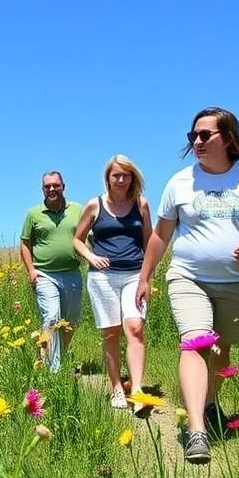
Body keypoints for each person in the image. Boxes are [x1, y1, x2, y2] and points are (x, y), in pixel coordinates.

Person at [137, 108, 239, 464]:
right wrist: (145, 276)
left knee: (222, 352)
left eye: (205, 135)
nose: (197, 142)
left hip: (237, 282)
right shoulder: (180, 183)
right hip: (188, 277)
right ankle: (197, 429)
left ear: (229, 138)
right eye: (193, 136)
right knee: (194, 343)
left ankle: (208, 402)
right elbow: (161, 235)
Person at [73, 155, 153, 413]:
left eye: (125, 175)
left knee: (135, 328)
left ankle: (138, 389)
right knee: (111, 333)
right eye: (116, 175)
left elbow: (150, 243)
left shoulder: (141, 204)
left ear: (132, 178)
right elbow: (77, 240)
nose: (120, 180)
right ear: (107, 178)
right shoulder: (94, 205)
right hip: (102, 279)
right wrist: (91, 256)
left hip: (134, 275)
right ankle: (117, 387)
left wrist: (146, 278)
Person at [20, 170, 83, 372]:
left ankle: (58, 355)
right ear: (42, 189)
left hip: (72, 273)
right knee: (52, 318)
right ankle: (53, 370)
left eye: (55, 185)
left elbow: (87, 236)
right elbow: (25, 244)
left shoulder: (77, 210)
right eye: (47, 186)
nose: (52, 189)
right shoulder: (34, 214)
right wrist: (31, 270)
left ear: (63, 186)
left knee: (70, 321)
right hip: (44, 274)